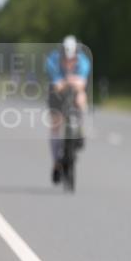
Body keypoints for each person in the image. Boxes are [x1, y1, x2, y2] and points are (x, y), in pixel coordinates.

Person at [45, 35, 90, 183]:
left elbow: (81, 84)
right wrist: (69, 81)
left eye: (73, 59)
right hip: (57, 93)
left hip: (74, 90)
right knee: (55, 124)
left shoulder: (83, 61)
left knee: (81, 97)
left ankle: (80, 130)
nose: (70, 62)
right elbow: (56, 86)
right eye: (66, 59)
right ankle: (56, 164)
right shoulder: (53, 60)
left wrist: (68, 81)